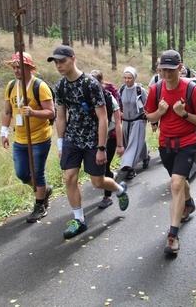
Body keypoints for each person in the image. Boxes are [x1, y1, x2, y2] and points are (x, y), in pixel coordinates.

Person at [48, 45, 129, 239]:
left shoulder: (90, 84)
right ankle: (79, 220)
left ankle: (118, 189)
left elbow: (102, 118)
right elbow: (60, 117)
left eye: (62, 61)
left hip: (93, 140)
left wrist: (101, 147)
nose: (59, 65)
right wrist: (60, 144)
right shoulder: (60, 86)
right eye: (56, 62)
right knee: (69, 177)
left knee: (97, 182)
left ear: (73, 59)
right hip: (72, 139)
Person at [145, 50, 196, 255]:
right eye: (163, 69)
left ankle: (172, 236)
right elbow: (150, 117)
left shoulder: (192, 90)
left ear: (180, 68)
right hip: (165, 144)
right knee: (179, 181)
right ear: (158, 69)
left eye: (171, 69)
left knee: (175, 183)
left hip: (188, 142)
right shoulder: (155, 90)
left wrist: (184, 114)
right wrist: (161, 112)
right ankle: (189, 202)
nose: (167, 73)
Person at [1, 52, 55, 223]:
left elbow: (51, 112)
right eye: (14, 67)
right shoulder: (11, 86)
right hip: (20, 139)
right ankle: (43, 190)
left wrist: (33, 112)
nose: (16, 70)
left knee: (37, 173)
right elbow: (7, 111)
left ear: (30, 68)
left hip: (39, 138)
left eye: (19, 67)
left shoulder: (40, 86)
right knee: (22, 173)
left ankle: (39, 205)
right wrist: (4, 132)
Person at [89, 70, 125, 209]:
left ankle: (108, 195)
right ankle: (112, 178)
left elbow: (118, 123)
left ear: (101, 83)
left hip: (109, 137)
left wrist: (120, 145)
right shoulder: (87, 97)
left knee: (105, 166)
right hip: (93, 137)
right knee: (99, 168)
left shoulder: (110, 98)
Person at [118, 67, 150, 179]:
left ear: (134, 78)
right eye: (125, 78)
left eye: (129, 78)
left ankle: (129, 167)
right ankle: (145, 156)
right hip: (126, 121)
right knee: (131, 142)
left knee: (133, 143)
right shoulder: (121, 90)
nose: (127, 80)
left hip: (139, 120)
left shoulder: (139, 90)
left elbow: (148, 104)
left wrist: (150, 118)